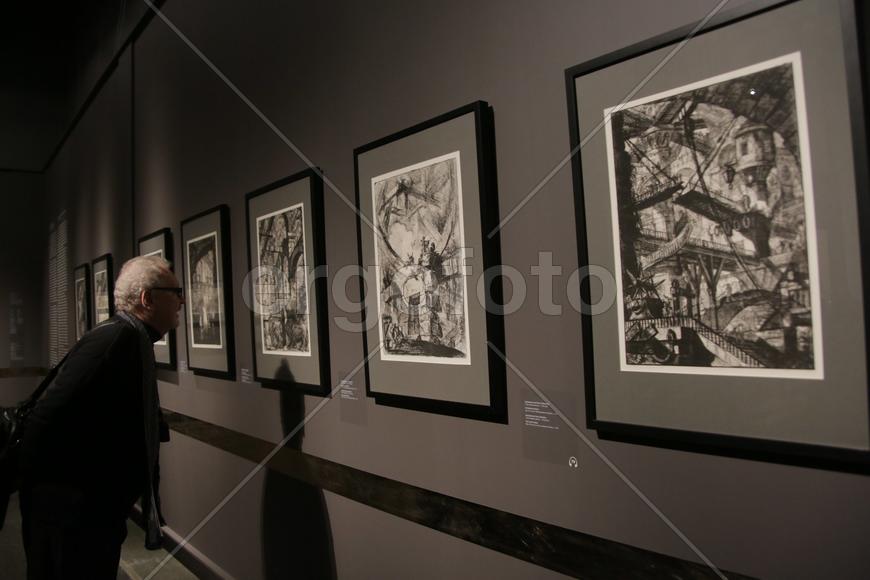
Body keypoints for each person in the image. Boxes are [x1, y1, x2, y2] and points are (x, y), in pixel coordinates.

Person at [19, 255, 185, 579]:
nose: (182, 300)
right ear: (147, 299)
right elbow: (45, 418)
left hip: (87, 512)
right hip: (70, 517)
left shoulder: (131, 339)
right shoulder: (117, 340)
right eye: (175, 292)